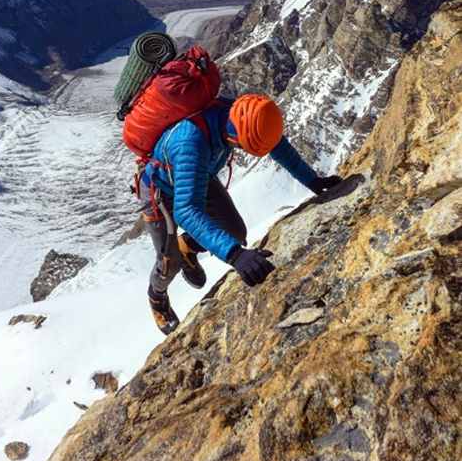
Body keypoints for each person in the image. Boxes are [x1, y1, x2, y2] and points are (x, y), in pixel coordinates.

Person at [139, 94, 341, 334]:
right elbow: (185, 210)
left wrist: (313, 181)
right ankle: (157, 296)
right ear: (233, 138)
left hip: (198, 174)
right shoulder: (190, 143)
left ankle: (188, 247)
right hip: (159, 192)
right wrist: (234, 255)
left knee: (234, 231)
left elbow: (275, 143)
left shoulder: (239, 116)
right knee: (167, 263)